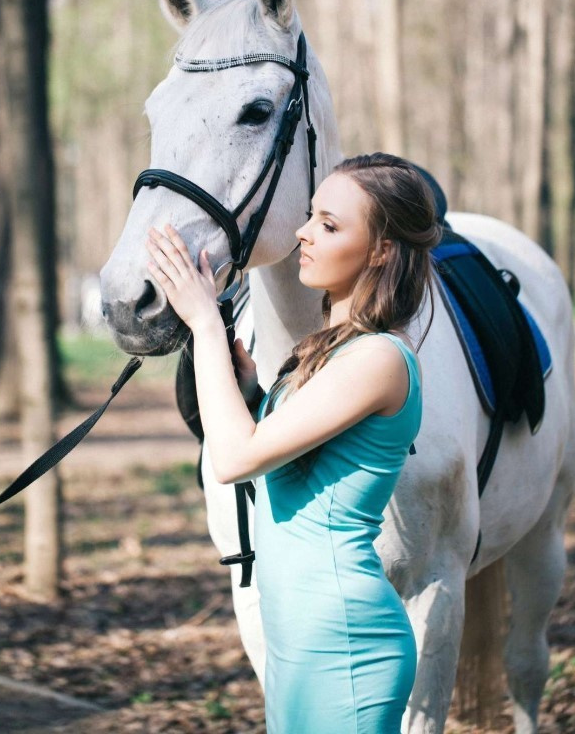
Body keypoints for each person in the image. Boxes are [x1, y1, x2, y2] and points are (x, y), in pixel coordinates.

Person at [146, 152, 441, 734]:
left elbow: (233, 458)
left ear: (381, 251)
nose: (303, 233)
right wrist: (256, 394)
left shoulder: (380, 358)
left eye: (330, 225)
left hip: (343, 642)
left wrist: (206, 324)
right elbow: (293, 464)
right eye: (311, 216)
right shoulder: (334, 351)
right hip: (298, 636)